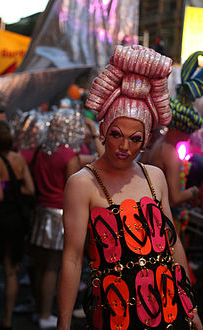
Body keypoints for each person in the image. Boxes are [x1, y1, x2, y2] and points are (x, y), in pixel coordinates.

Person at [57, 45, 203, 329]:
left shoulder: (155, 176)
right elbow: (72, 258)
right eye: (116, 135)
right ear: (102, 130)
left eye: (135, 139)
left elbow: (173, 247)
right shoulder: (82, 183)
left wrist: (192, 309)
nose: (124, 146)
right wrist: (63, 325)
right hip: (115, 315)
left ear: (146, 139)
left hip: (169, 311)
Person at [141, 51, 203, 233]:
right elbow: (175, 198)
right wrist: (195, 191)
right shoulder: (171, 154)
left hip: (148, 213)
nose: (190, 137)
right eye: (189, 133)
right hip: (162, 223)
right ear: (185, 130)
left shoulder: (160, 142)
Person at [0, 120, 35, 329]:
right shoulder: (19, 159)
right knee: (11, 270)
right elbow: (30, 190)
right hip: (16, 221)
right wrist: (13, 189)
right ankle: (8, 319)